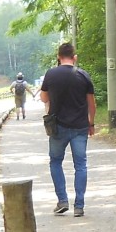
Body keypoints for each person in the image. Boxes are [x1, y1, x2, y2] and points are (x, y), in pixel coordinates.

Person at [39, 42, 96, 217]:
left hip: (58, 127)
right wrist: (91, 123)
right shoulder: (83, 75)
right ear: (74, 57)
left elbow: (43, 97)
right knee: (81, 165)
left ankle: (62, 200)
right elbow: (91, 104)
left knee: (55, 162)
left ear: (58, 56)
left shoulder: (51, 74)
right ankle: (79, 206)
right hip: (80, 127)